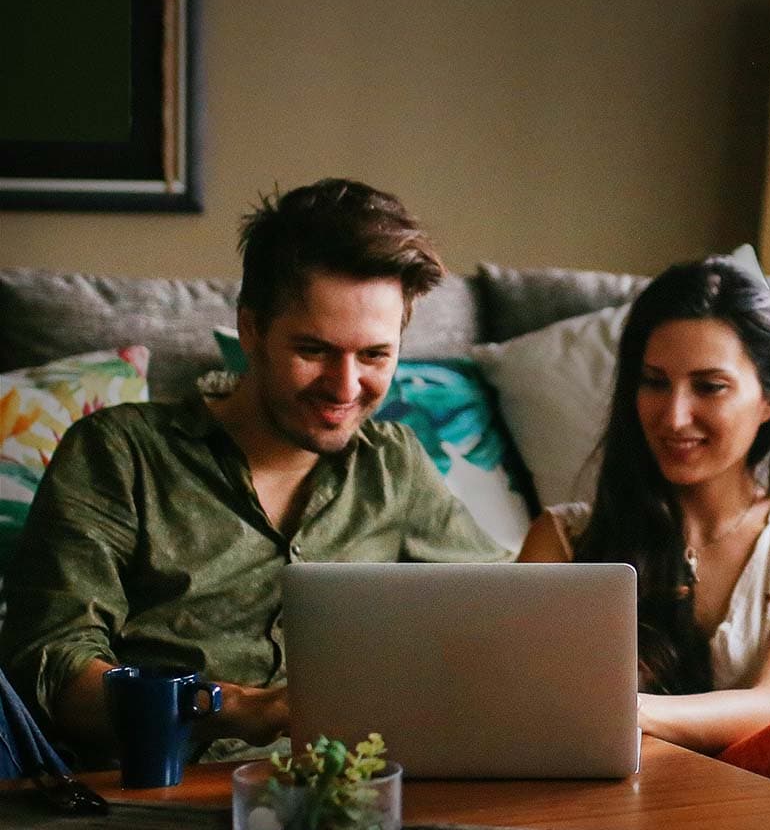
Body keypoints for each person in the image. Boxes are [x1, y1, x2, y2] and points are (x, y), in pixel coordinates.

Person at [0, 178, 510, 766]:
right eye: (314, 351)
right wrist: (238, 707)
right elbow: (54, 670)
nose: (345, 388)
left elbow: (505, 614)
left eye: (374, 355)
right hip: (152, 789)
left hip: (339, 792)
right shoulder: (119, 452)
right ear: (251, 330)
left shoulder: (394, 465)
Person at [517, 256, 770, 755]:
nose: (675, 416)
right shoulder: (562, 538)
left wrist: (618, 710)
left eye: (709, 386)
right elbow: (521, 699)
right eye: (654, 382)